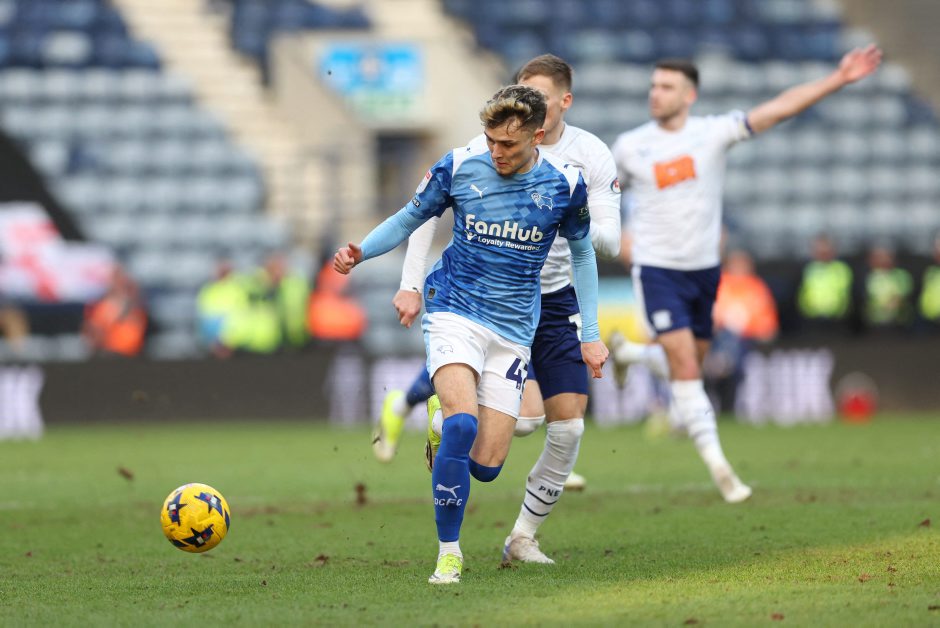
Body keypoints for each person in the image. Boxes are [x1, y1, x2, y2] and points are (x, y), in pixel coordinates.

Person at [333, 84, 607, 584]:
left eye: (508, 144)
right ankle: (449, 554)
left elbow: (583, 254)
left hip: (513, 330)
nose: (496, 151)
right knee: (462, 426)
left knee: (486, 466)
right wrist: (361, 252)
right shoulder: (460, 165)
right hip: (454, 309)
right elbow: (410, 217)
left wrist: (590, 333)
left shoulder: (565, 184)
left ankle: (439, 423)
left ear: (537, 136)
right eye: (491, 139)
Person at [608, 46, 882, 503]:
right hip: (656, 268)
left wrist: (837, 79)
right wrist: (620, 237)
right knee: (687, 367)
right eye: (654, 85)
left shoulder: (711, 133)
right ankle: (721, 467)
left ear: (689, 95)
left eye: (667, 86)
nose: (656, 93)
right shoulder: (630, 146)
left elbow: (776, 110)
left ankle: (631, 354)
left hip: (703, 272)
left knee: (689, 361)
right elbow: (602, 195)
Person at [82, 265, 147, 357]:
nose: (119, 285)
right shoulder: (100, 307)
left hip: (131, 354)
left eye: (123, 282)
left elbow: (135, 334)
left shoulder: (136, 307)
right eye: (116, 281)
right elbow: (92, 334)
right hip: (106, 354)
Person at [797, 233, 854, 332]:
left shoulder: (841, 269)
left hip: (838, 320)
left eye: (826, 250)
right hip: (811, 321)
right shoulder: (807, 269)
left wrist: (841, 312)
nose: (823, 253)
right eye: (819, 250)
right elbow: (800, 293)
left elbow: (848, 293)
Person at [861, 243, 913, 330]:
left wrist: (889, 308)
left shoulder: (900, 275)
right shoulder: (870, 276)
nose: (882, 259)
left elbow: (901, 297)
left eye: (885, 256)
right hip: (874, 323)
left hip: (897, 323)